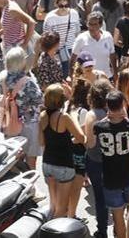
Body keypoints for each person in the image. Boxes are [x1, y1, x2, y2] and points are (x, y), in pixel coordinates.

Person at [94, 90, 129, 238]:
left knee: (118, 218)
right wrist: (126, 118)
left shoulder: (99, 127)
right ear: (123, 104)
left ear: (107, 106)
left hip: (110, 178)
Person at [39, 84, 87, 218]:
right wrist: (73, 117)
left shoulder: (42, 115)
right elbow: (81, 138)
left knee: (53, 206)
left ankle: (47, 227)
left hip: (47, 163)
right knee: (62, 209)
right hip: (64, 165)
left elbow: (41, 142)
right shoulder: (64, 117)